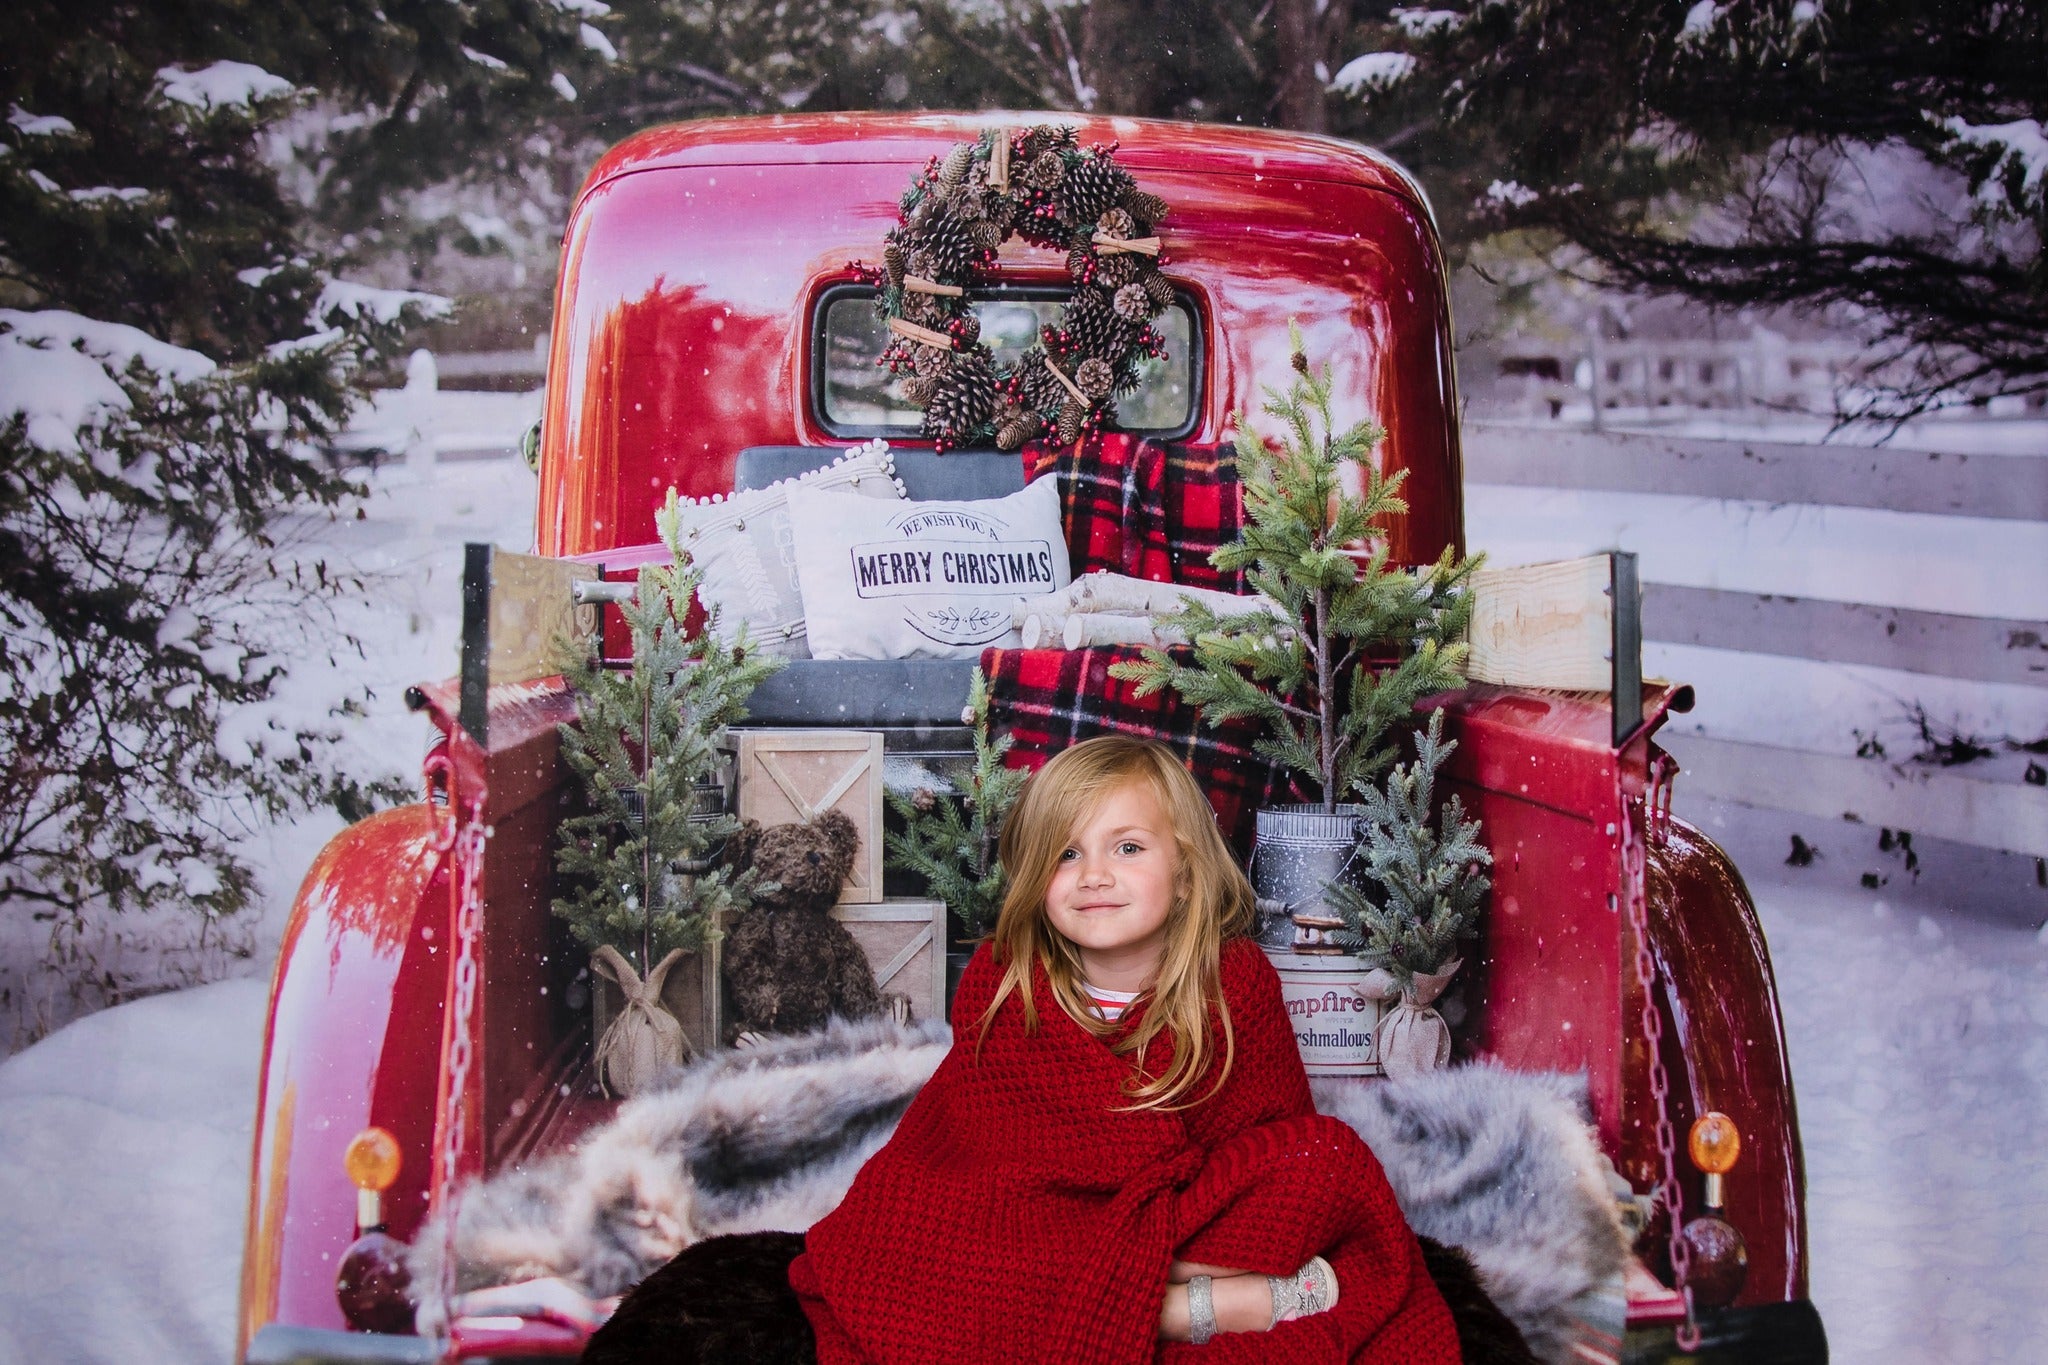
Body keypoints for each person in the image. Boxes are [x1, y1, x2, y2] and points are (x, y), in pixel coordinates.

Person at [788, 735, 1459, 1363]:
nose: (1094, 875)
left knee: (1329, 1160)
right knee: (906, 1223)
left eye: (1128, 848)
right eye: (1066, 854)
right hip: (1037, 1221)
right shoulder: (1004, 983)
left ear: (1186, 873)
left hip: (1184, 1212)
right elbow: (975, 1149)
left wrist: (1168, 1213)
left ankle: (1125, 1288)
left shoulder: (1236, 981)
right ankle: (1178, 1310)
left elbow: (1269, 1127)